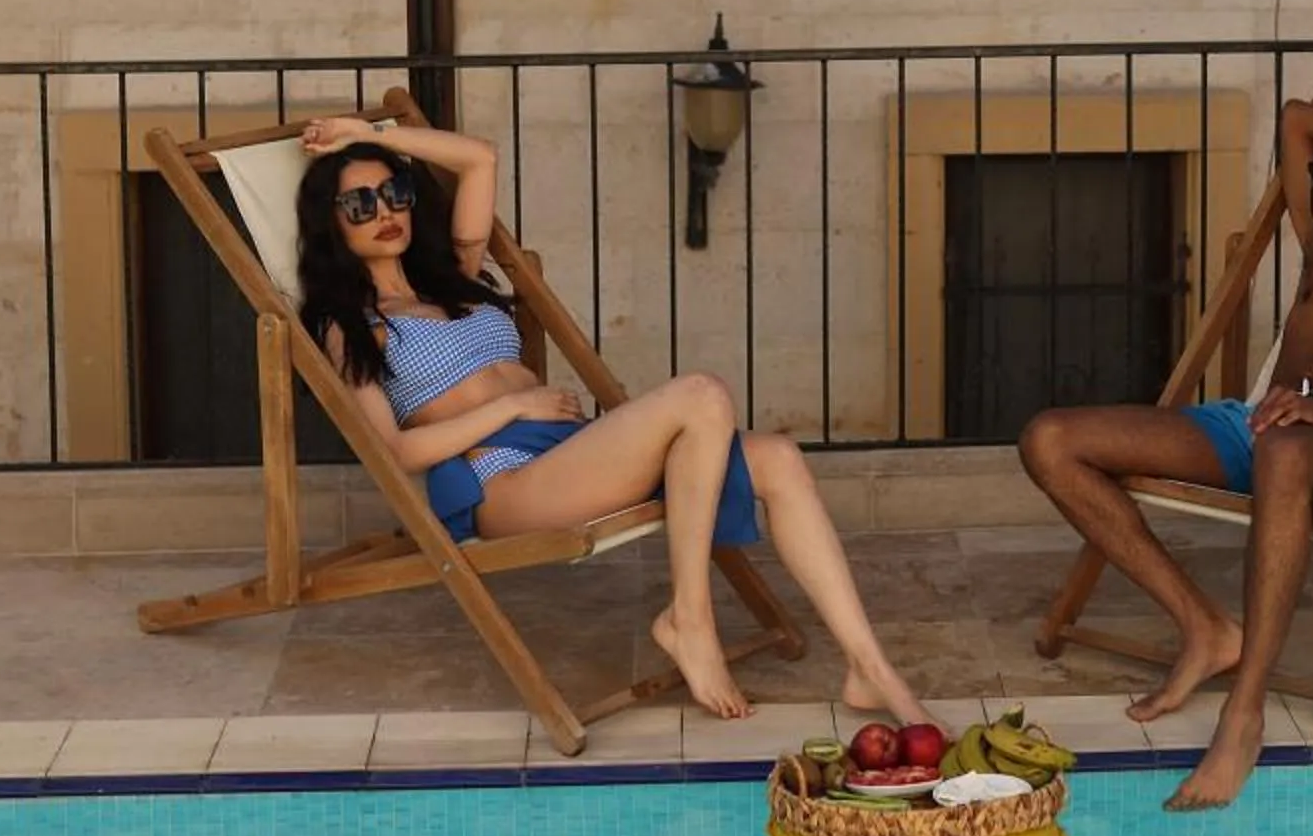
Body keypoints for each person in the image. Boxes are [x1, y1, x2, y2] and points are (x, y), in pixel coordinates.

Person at [293, 114, 930, 728]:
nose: (383, 213)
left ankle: (869, 668)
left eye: (393, 193)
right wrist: (511, 406)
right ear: (332, 227)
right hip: (500, 477)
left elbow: (479, 157)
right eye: (359, 206)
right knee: (701, 395)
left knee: (780, 460)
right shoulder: (350, 326)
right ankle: (690, 617)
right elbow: (395, 450)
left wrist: (366, 133)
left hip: (567, 450)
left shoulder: (455, 277)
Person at [1017, 59, 1313, 811]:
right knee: (1050, 439)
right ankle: (1205, 627)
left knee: (1287, 445)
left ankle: (1244, 713)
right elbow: (1302, 115)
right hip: (1266, 424)